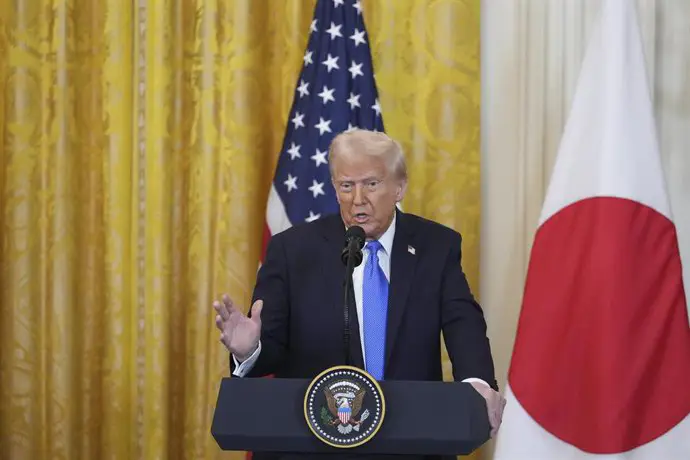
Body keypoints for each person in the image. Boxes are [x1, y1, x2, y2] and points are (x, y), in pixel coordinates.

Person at [213, 129, 505, 460]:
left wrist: (478, 383)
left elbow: (463, 323)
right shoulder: (292, 250)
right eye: (346, 186)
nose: (357, 199)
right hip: (310, 447)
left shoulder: (435, 246)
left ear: (399, 187)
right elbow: (271, 349)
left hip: (410, 445)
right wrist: (249, 349)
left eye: (371, 184)